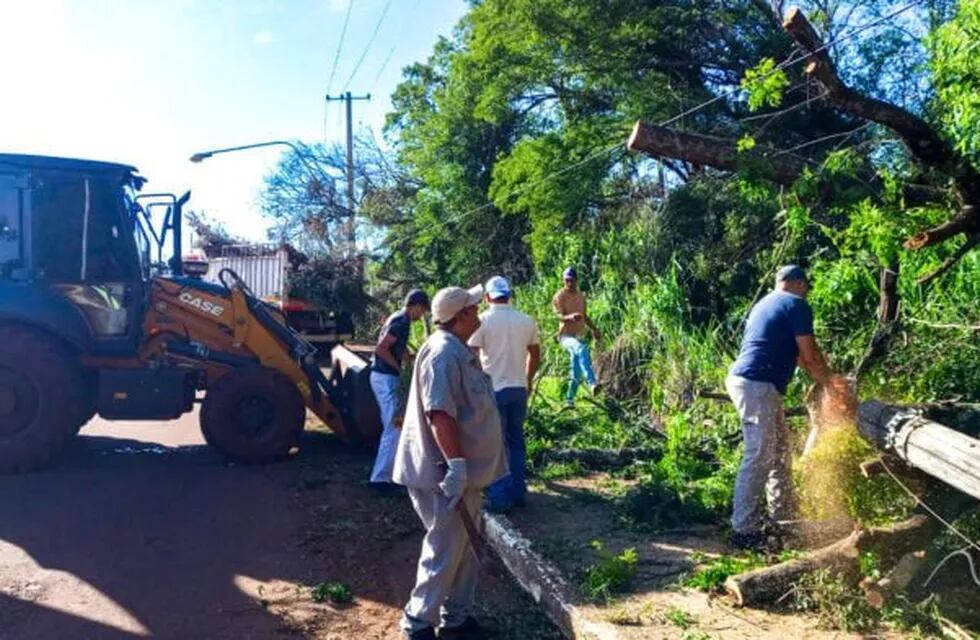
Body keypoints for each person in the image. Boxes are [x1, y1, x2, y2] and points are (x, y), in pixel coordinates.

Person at [393, 285, 506, 640]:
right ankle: (418, 623)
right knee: (444, 550)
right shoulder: (443, 354)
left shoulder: (457, 349)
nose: (478, 312)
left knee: (464, 551)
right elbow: (440, 414)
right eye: (473, 309)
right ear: (460, 318)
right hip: (444, 475)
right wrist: (456, 466)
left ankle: (455, 619)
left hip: (464, 474)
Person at [727, 265, 844, 550]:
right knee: (760, 453)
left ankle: (783, 518)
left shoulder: (764, 304)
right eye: (806, 286)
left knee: (779, 452)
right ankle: (743, 528)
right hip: (757, 384)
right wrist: (832, 385)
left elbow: (802, 360)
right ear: (799, 284)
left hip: (755, 383)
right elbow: (810, 356)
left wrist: (825, 378)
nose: (807, 292)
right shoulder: (796, 304)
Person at [468, 276, 541, 512]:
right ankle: (518, 492)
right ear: (509, 295)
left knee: (495, 445)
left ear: (488, 297)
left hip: (494, 390)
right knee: (516, 441)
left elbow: (470, 353)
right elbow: (535, 354)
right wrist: (528, 380)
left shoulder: (482, 322)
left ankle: (500, 498)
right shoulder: (526, 321)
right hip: (518, 388)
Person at [368, 289, 430, 489]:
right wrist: (398, 368)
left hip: (384, 376)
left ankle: (390, 474)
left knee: (396, 425)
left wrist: (408, 358)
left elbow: (396, 346)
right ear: (416, 305)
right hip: (385, 377)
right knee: (393, 427)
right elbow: (381, 348)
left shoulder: (399, 318)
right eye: (423, 311)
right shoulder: (401, 321)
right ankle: (380, 479)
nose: (422, 316)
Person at [552, 267, 601, 406]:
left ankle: (569, 401)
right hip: (565, 337)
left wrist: (594, 329)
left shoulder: (581, 296)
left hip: (578, 336)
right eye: (566, 280)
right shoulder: (559, 296)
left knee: (576, 374)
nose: (569, 283)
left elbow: (584, 316)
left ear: (576, 280)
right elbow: (559, 316)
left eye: (571, 280)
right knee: (581, 349)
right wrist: (570, 317)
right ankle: (592, 383)